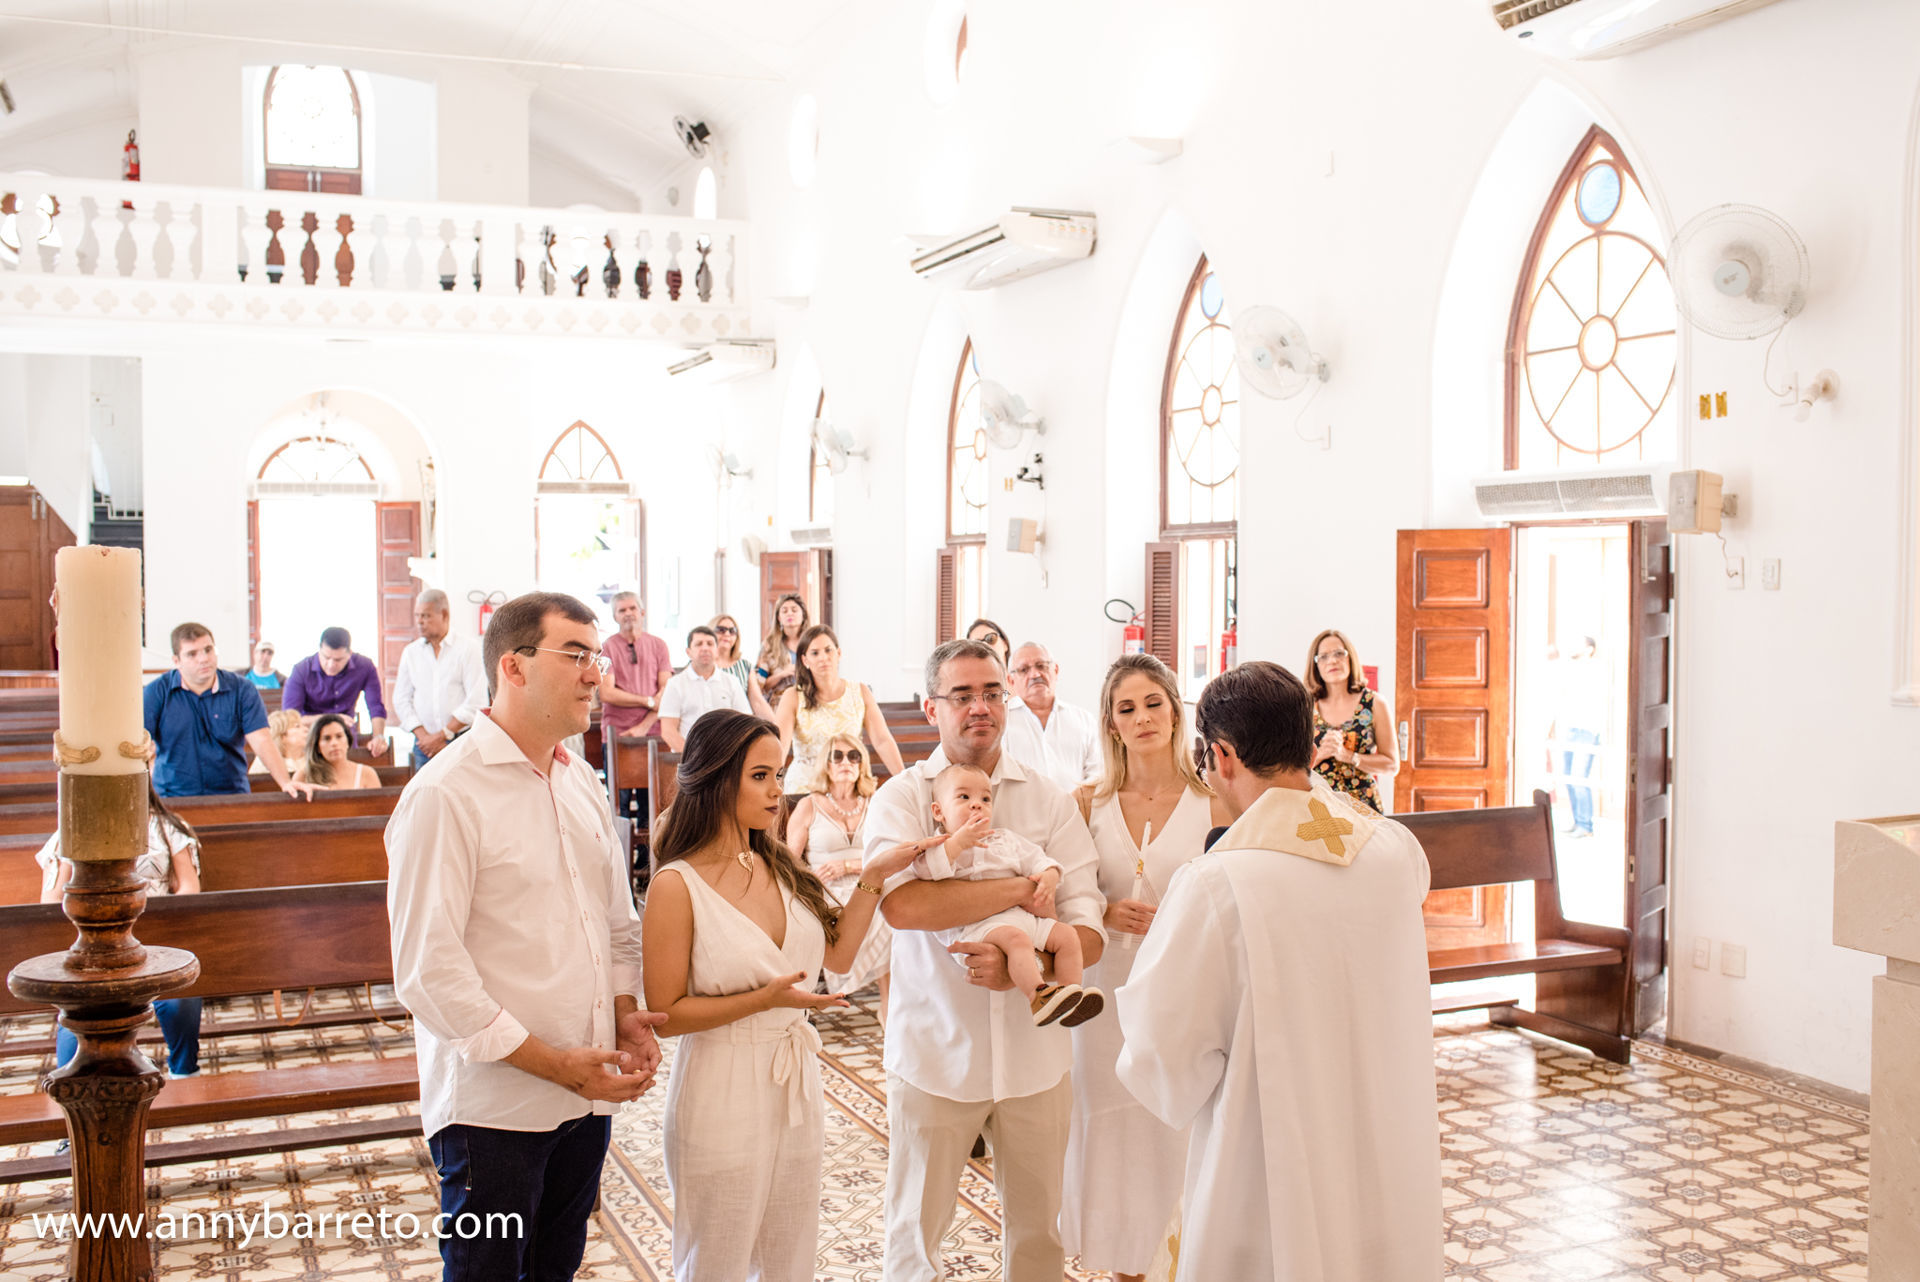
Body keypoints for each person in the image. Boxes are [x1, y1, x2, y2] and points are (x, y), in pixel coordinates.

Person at [1114, 661, 1442, 1280]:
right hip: (1386, 1148)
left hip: (1267, 1171)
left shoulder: (1216, 883)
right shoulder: (1395, 851)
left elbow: (1160, 1052)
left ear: (1221, 756)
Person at [385, 591, 667, 1282]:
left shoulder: (580, 780)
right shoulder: (446, 793)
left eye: (596, 657)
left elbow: (615, 923)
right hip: (493, 1110)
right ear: (512, 667)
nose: (595, 674)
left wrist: (625, 1012)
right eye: (576, 655)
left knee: (554, 1268)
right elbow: (428, 972)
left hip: (585, 1090)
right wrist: (554, 1063)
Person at [642, 709, 934, 1282]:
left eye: (779, 774)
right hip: (720, 1084)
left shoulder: (778, 864)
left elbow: (839, 956)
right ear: (715, 779)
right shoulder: (676, 884)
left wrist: (875, 875)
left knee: (789, 1252)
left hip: (795, 1085)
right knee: (717, 1256)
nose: (778, 790)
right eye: (760, 776)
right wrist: (763, 1000)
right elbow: (666, 1015)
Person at [863, 637, 1105, 1282]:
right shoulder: (903, 798)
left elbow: (1086, 920)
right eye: (962, 695)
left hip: (1036, 1058)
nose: (980, 707)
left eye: (992, 693)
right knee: (914, 1239)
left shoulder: (1048, 799)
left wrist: (1040, 970)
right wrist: (1022, 890)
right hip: (936, 1052)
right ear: (931, 707)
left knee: (1040, 1240)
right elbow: (904, 905)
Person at [1062, 652, 1227, 1282]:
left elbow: (1233, 892)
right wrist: (1103, 910)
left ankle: (1185, 1260)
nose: (1143, 718)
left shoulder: (1214, 801)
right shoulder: (1087, 802)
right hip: (1105, 993)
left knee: (1173, 1125)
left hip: (1181, 991)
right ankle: (1125, 1266)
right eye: (1126, 708)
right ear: (1111, 722)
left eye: (1154, 703)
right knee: (1111, 1127)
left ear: (1176, 711)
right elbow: (1064, 894)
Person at [909, 762, 1102, 1026]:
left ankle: (1070, 995)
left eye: (985, 799)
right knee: (1016, 939)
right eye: (964, 797)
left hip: (1023, 917)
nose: (976, 805)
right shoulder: (941, 847)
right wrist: (957, 844)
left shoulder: (1005, 839)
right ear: (938, 811)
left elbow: (1037, 859)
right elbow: (925, 872)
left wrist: (1049, 875)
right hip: (979, 927)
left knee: (1067, 935)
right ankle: (1038, 996)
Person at [39, 780, 204, 1077]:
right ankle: (73, 1084)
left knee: (179, 1001)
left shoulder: (166, 827)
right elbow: (50, 900)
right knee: (78, 1015)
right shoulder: (73, 830)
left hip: (156, 943)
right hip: (91, 949)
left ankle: (184, 1071)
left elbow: (189, 889)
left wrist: (152, 918)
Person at [787, 733, 892, 1017]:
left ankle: (888, 1006)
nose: (846, 762)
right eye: (838, 756)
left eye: (853, 756)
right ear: (826, 764)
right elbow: (789, 862)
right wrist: (810, 881)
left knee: (890, 911)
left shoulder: (876, 802)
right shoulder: (809, 805)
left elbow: (891, 852)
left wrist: (849, 866)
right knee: (853, 911)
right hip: (826, 888)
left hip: (869, 883)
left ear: (862, 763)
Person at [145, 623, 311, 800]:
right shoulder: (157, 692)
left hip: (230, 794)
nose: (203, 659)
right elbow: (141, 744)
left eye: (208, 650)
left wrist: (285, 782)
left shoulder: (242, 689)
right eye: (192, 654)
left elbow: (262, 739)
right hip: (172, 796)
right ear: (176, 661)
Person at [775, 624, 906, 785]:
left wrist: (905, 782)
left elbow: (882, 740)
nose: (823, 657)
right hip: (806, 785)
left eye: (828, 650)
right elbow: (780, 747)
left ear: (838, 653)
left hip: (849, 783)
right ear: (805, 660)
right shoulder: (793, 696)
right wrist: (772, 785)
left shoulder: (860, 692)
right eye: (815, 653)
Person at [393, 589, 488, 770]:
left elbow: (477, 701)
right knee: (423, 788)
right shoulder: (411, 652)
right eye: (417, 615)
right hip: (423, 745)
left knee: (461, 787)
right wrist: (425, 738)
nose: (419, 621)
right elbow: (401, 698)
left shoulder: (468, 649)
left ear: (444, 615)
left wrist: (443, 735)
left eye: (426, 616)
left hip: (460, 741)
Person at [1307, 628, 1398, 813]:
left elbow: (1391, 765)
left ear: (1350, 658)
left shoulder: (1374, 703)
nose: (1332, 661)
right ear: (1315, 665)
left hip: (1364, 808)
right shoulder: (1306, 706)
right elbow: (1292, 769)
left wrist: (1350, 756)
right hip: (1319, 809)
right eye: (1323, 656)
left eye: (1339, 653)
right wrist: (1321, 754)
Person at [1001, 642, 1101, 790]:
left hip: (1077, 805)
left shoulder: (1084, 720)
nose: (1035, 675)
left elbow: (1097, 774)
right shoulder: (1001, 721)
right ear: (1011, 681)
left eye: (1041, 666)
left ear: (1056, 670)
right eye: (1024, 670)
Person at [283, 627, 391, 759]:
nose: (331, 665)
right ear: (319, 650)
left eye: (338, 660)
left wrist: (378, 736)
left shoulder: (365, 666)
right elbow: (290, 717)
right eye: (326, 657)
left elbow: (376, 706)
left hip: (344, 735)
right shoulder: (301, 670)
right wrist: (333, 718)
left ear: (349, 653)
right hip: (309, 735)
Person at [658, 625, 750, 752]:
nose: (705, 648)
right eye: (699, 644)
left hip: (726, 756)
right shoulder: (675, 684)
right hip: (687, 758)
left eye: (710, 644)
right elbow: (668, 731)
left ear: (717, 650)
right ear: (688, 652)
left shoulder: (732, 682)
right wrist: (695, 758)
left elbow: (745, 724)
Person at [1551, 635, 1606, 838]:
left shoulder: (1596, 670)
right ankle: (1578, 821)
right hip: (1570, 729)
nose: (1573, 648)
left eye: (1578, 645)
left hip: (1587, 731)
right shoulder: (1571, 669)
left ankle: (1585, 824)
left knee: (1579, 778)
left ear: (1590, 649)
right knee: (1569, 778)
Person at [600, 591, 672, 739]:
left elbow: (666, 693)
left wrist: (644, 726)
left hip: (655, 730)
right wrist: (648, 701)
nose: (628, 613)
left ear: (642, 612)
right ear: (615, 617)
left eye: (632, 608)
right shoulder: (606, 647)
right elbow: (606, 693)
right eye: (622, 610)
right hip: (618, 732)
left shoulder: (659, 645)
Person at [711, 612, 775, 718]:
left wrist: (776, 725)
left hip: (737, 723)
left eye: (732, 631)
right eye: (721, 630)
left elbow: (757, 702)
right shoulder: (701, 665)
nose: (727, 634)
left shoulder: (745, 666)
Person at [298, 712, 383, 789]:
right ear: (317, 747)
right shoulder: (303, 775)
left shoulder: (367, 774)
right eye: (327, 738)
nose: (334, 743)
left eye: (339, 736)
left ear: (347, 741)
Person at [755, 593, 810, 704]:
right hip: (778, 706)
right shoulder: (768, 646)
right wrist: (782, 674)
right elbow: (758, 685)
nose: (789, 613)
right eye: (784, 611)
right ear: (779, 618)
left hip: (808, 703)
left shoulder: (812, 644)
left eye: (794, 610)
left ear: (803, 615)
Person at [249, 708, 308, 775]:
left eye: (303, 725)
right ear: (282, 736)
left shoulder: (313, 758)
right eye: (297, 726)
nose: (306, 729)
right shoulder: (263, 762)